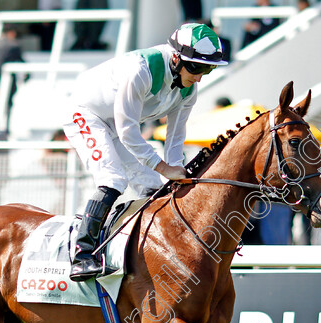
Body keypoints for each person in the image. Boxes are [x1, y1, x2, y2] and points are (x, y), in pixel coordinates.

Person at [62, 22, 228, 281]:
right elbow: (128, 131)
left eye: (207, 69)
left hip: (117, 125)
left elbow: (176, 138)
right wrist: (163, 168)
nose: (198, 77)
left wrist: (175, 173)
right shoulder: (141, 70)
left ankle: (147, 250)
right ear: (176, 57)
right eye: (196, 67)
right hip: (87, 114)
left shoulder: (189, 89)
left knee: (153, 186)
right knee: (113, 178)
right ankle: (81, 254)